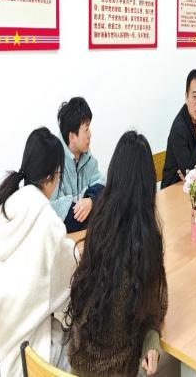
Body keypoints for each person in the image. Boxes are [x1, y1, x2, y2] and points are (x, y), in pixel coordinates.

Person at [66, 131, 168, 377]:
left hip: (77, 363)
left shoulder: (99, 225)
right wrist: (152, 338)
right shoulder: (145, 243)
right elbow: (157, 306)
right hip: (115, 371)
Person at [0, 128, 78, 377]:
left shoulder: (7, 207)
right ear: (51, 176)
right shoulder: (46, 220)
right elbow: (68, 282)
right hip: (23, 357)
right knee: (78, 345)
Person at [51, 97, 105, 234]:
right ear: (72, 136)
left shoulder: (86, 156)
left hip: (87, 235)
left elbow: (102, 185)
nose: (90, 135)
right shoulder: (53, 162)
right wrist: (95, 206)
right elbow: (60, 215)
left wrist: (91, 200)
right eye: (86, 130)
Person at [162, 69, 196, 188]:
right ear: (186, 97)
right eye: (194, 96)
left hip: (193, 187)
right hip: (172, 188)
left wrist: (192, 175)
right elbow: (190, 173)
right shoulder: (179, 128)